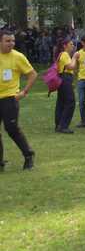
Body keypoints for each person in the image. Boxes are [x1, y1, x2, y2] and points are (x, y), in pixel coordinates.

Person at [0, 31, 38, 170]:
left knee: (11, 129)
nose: (11, 43)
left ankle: (28, 155)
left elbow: (32, 74)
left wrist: (24, 92)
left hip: (10, 98)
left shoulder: (18, 57)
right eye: (7, 41)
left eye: (13, 41)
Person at [54, 39, 77, 134]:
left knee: (61, 102)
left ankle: (58, 124)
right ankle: (64, 126)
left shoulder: (61, 54)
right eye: (71, 44)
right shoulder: (65, 54)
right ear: (65, 45)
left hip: (62, 78)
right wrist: (74, 57)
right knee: (70, 102)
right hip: (65, 78)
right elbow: (70, 67)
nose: (73, 46)